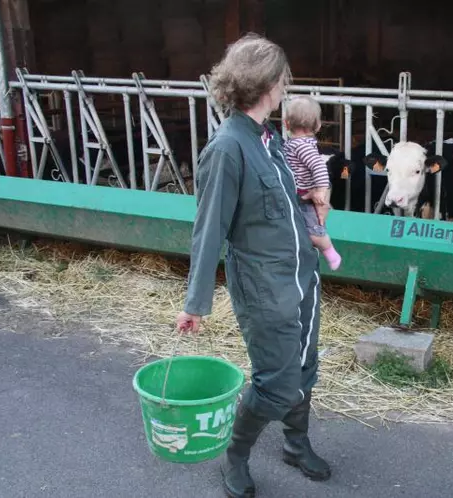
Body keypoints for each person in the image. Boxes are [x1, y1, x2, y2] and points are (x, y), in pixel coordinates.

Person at [175, 33, 331, 498]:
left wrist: (310, 198)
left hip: (302, 278)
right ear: (267, 83)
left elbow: (275, 202)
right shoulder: (227, 147)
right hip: (265, 289)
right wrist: (195, 303)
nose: (286, 85)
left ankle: (295, 443)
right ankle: (235, 455)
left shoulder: (270, 139)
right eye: (283, 78)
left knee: (305, 369)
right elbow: (209, 230)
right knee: (277, 383)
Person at [282, 95, 342, 271]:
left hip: (306, 198)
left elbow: (319, 167)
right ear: (318, 126)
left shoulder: (303, 146)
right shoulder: (293, 144)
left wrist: (321, 190)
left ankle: (330, 252)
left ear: (286, 124)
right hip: (297, 196)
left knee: (314, 234)